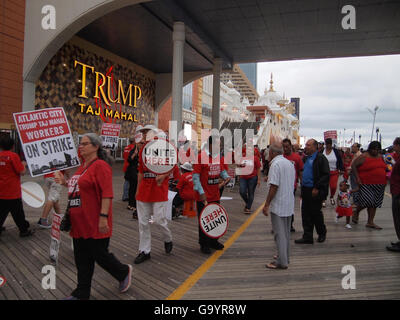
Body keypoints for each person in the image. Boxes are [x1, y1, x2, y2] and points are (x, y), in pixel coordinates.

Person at [55, 133, 132, 300]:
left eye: (85, 144)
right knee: (81, 258)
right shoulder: (82, 166)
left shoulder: (101, 166)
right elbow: (80, 187)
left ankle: (123, 271)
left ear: (96, 146)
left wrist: (103, 217)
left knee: (99, 254)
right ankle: (81, 292)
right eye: (80, 144)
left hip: (95, 220)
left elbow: (107, 194)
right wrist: (64, 182)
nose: (80, 147)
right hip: (78, 221)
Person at [134, 124, 174, 264]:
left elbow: (173, 165)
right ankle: (144, 251)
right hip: (145, 189)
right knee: (143, 222)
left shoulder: (165, 146)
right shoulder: (142, 150)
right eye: (143, 133)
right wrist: (137, 190)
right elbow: (140, 171)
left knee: (158, 219)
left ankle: (167, 238)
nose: (144, 135)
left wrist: (163, 175)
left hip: (158, 189)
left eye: (146, 132)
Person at [193, 135, 231, 254]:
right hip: (203, 196)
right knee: (204, 220)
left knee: (215, 219)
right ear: (210, 145)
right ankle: (204, 243)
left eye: (219, 145)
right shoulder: (200, 157)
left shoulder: (218, 157)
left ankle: (214, 241)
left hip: (215, 195)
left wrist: (226, 178)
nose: (219, 147)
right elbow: (195, 177)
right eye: (216, 144)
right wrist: (201, 193)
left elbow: (221, 171)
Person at [263, 142, 296, 270]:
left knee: (279, 233)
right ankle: (285, 257)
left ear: (272, 152)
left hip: (279, 204)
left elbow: (274, 186)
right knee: (286, 233)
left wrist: (266, 204)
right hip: (288, 203)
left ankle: (281, 262)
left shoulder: (275, 164)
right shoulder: (289, 163)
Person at [295, 139, 330, 244]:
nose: (306, 147)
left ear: (315, 147)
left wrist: (317, 188)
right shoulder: (306, 159)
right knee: (305, 213)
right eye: (306, 145)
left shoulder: (321, 158)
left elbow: (325, 175)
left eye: (309, 145)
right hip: (305, 189)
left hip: (315, 190)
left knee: (315, 213)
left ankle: (321, 233)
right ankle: (307, 236)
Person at [0, 134, 33, 238]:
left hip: (1, 191)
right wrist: (24, 164)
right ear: (13, 146)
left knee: (1, 212)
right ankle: (23, 230)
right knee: (18, 213)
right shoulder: (13, 156)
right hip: (13, 192)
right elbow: (22, 171)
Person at [351, 141, 387, 229]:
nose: (376, 151)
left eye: (378, 150)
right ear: (370, 149)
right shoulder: (363, 156)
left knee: (374, 203)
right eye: (374, 149)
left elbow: (385, 167)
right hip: (366, 183)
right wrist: (358, 178)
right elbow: (354, 166)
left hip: (380, 183)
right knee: (367, 201)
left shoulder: (381, 157)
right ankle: (356, 212)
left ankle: (370, 222)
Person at [282, 138, 303, 232]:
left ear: (290, 146)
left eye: (287, 146)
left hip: (292, 186)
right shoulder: (280, 157)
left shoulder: (297, 158)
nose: (285, 148)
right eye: (284, 147)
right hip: (281, 186)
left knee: (289, 205)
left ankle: (290, 224)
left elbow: (300, 171)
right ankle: (280, 225)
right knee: (281, 205)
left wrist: (302, 184)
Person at [238, 145, 261, 214]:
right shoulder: (243, 157)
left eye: (250, 150)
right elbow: (238, 165)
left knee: (251, 192)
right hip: (243, 177)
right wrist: (239, 165)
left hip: (253, 178)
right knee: (242, 191)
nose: (249, 151)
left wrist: (259, 179)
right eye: (248, 150)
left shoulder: (255, 158)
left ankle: (248, 207)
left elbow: (258, 168)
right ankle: (248, 202)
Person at [387, 137, 400, 252]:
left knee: (398, 217)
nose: (393, 147)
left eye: (394, 145)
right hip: (396, 190)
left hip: (398, 192)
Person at [322, 138, 344, 207]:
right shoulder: (322, 151)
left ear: (331, 144)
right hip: (324, 172)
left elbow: (340, 161)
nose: (328, 145)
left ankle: (331, 196)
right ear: (325, 144)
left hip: (334, 172)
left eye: (329, 144)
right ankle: (323, 199)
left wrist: (341, 169)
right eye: (327, 144)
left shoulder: (336, 152)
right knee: (324, 187)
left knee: (333, 186)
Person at [125, 134, 143, 217]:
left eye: (142, 143)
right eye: (140, 143)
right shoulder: (133, 150)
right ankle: (130, 204)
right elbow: (129, 160)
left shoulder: (143, 151)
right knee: (132, 188)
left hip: (138, 172)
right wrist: (134, 154)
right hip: (132, 172)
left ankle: (135, 204)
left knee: (136, 188)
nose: (141, 144)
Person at [122, 136, 136, 201]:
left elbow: (123, 156)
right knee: (131, 182)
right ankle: (128, 196)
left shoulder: (126, 147)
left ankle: (125, 195)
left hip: (125, 166)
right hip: (131, 166)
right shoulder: (133, 148)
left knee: (126, 181)